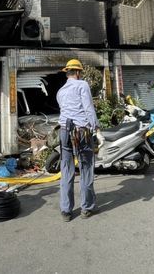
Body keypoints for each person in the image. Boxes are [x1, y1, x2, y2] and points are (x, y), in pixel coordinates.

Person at [56, 59, 99, 221]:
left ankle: (66, 210)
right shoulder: (82, 85)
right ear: (78, 72)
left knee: (66, 169)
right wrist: (97, 128)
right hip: (81, 131)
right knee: (86, 168)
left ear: (67, 72)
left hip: (64, 131)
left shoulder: (60, 91)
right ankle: (86, 208)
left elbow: (64, 109)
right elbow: (88, 108)